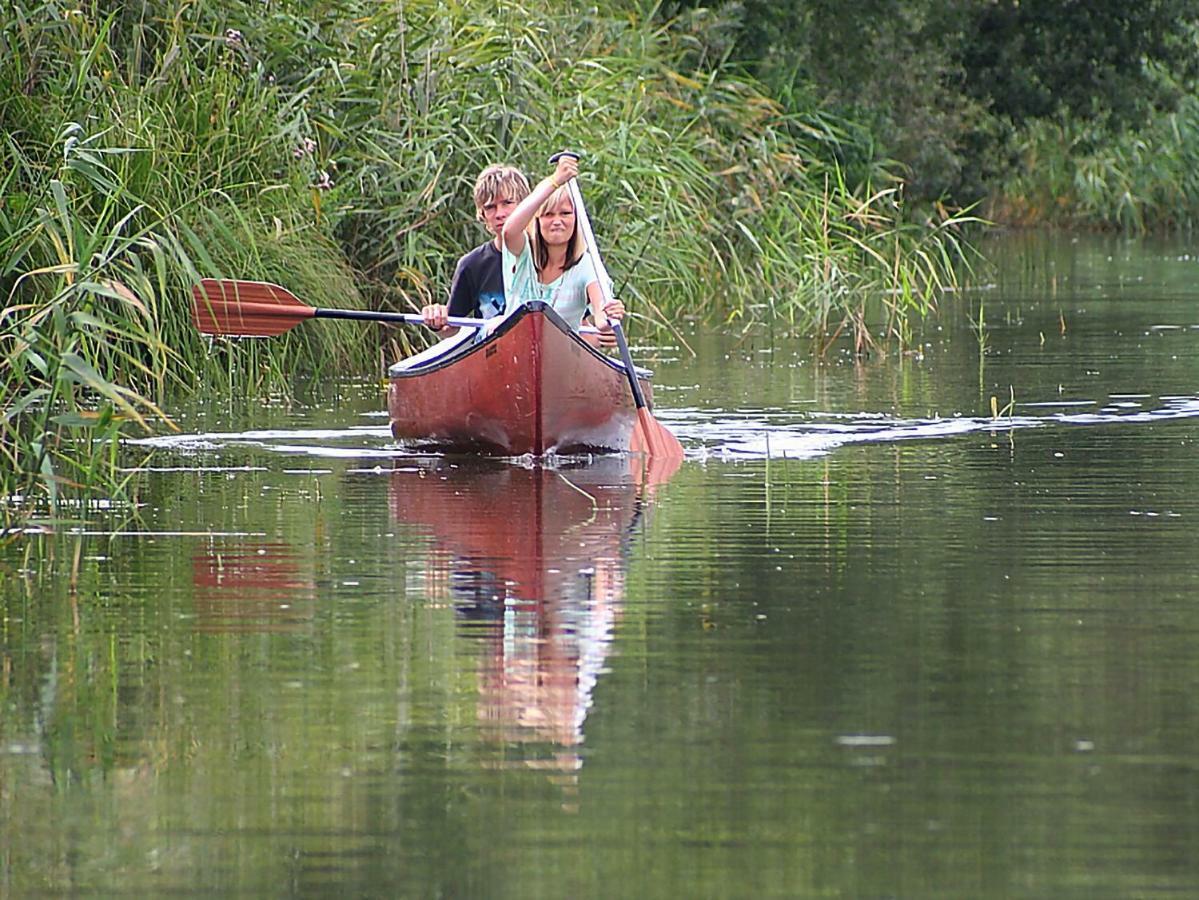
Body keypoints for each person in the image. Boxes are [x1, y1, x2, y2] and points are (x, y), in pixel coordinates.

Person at [500, 155, 624, 342]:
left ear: (576, 219)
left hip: (560, 354)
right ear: (538, 220)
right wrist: (555, 181)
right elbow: (509, 231)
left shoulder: (587, 265)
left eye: (565, 213)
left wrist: (609, 316)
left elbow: (601, 315)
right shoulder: (524, 252)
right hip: (513, 345)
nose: (557, 221)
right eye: (548, 214)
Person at [420, 163, 531, 336]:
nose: (499, 213)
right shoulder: (472, 265)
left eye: (507, 203)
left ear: (525, 205)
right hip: (492, 355)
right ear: (483, 214)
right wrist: (436, 318)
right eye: (490, 207)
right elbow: (451, 327)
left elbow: (580, 323)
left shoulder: (549, 256)